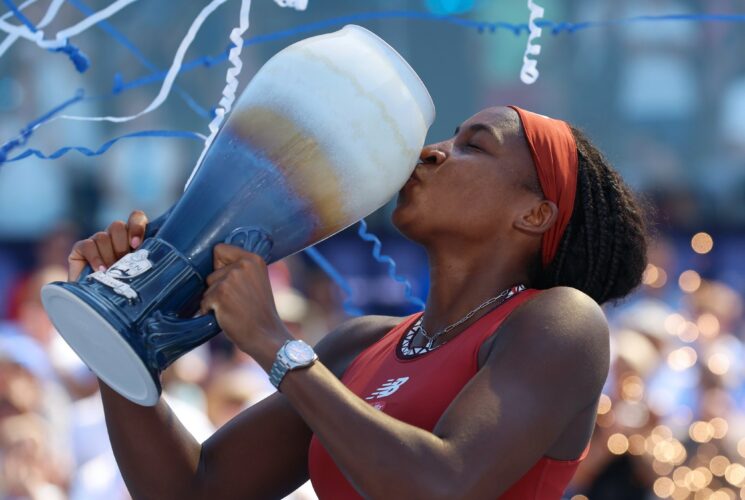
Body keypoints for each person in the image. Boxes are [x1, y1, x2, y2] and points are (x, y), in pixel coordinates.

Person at [66, 105, 648, 499]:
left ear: (535, 213)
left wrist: (274, 344)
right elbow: (194, 490)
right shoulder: (358, 344)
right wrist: (121, 336)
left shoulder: (562, 319)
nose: (429, 152)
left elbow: (443, 485)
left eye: (473, 146)